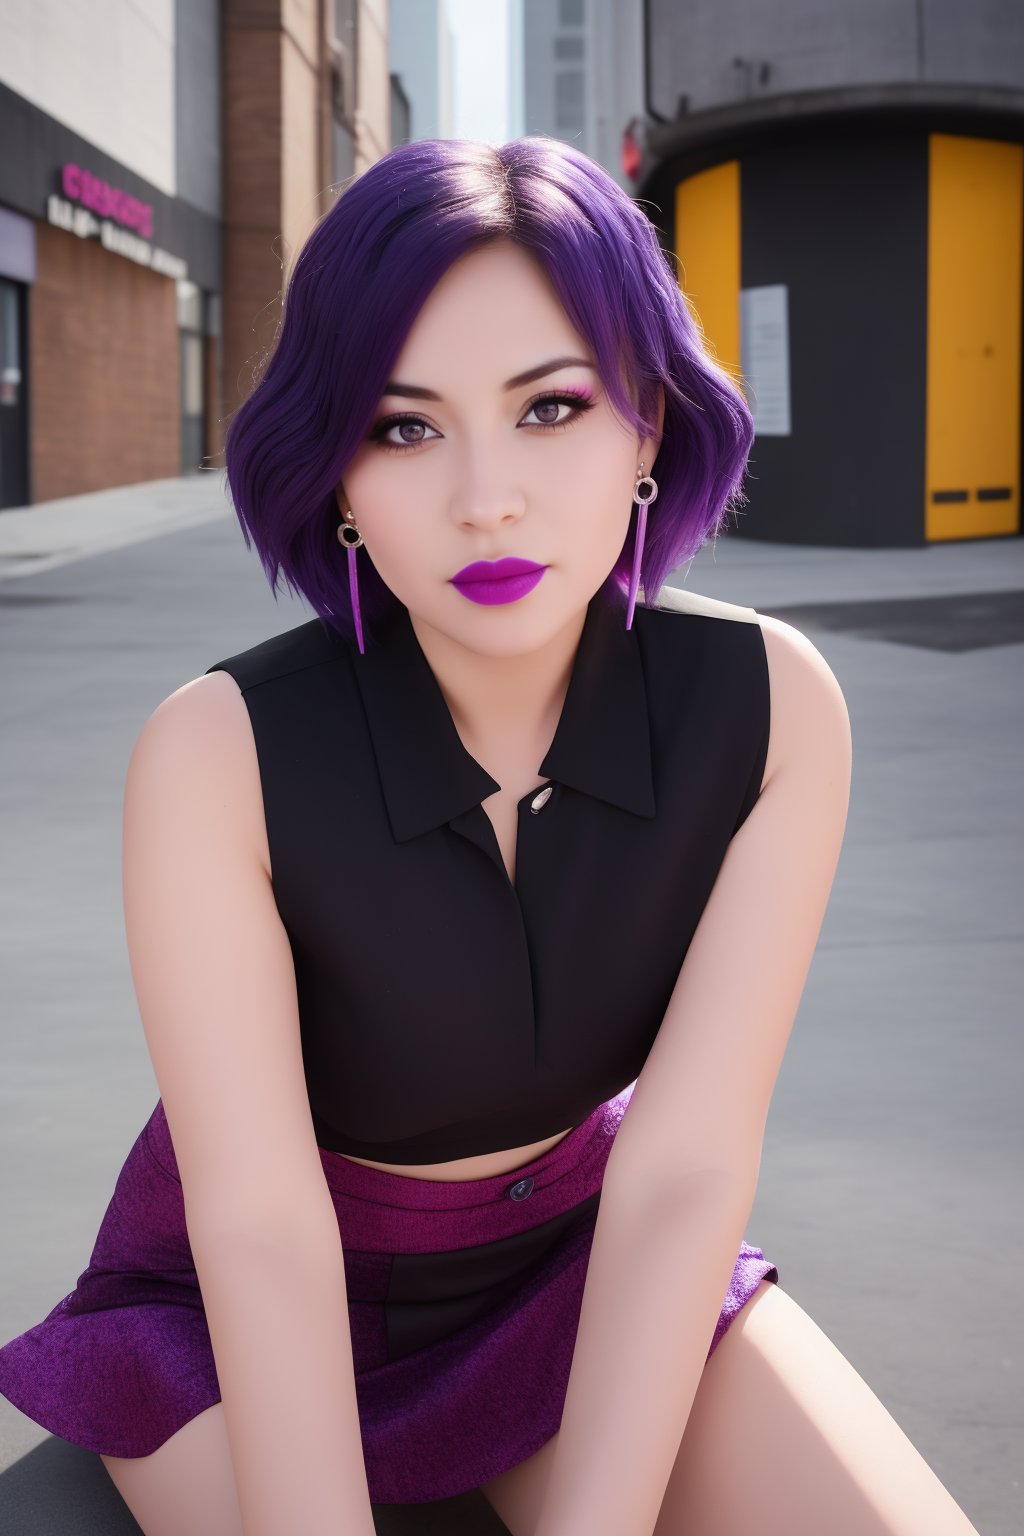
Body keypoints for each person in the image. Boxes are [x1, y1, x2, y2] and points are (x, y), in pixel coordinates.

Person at [0, 137, 980, 1536]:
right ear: (334, 469)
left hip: (571, 1266)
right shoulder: (217, 752)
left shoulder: (772, 711)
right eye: (404, 426)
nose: (486, 499)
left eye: (551, 407)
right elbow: (262, 1227)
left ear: (648, 418)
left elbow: (687, 1166)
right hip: (234, 1315)